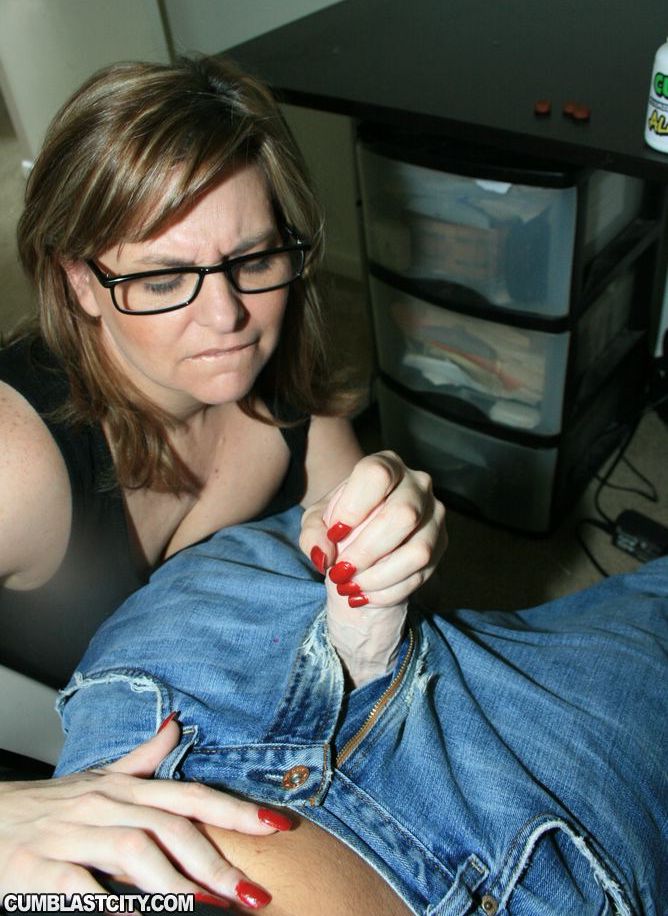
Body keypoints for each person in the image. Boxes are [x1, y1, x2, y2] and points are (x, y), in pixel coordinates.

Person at [0, 55, 447, 904]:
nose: (229, 316)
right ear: (79, 282)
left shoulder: (288, 400)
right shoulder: (13, 459)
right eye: (162, 278)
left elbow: (374, 580)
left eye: (253, 258)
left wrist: (393, 531)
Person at [54, 506, 668, 916]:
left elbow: (328, 496)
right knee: (644, 633)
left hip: (186, 703)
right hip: (504, 852)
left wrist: (372, 509)